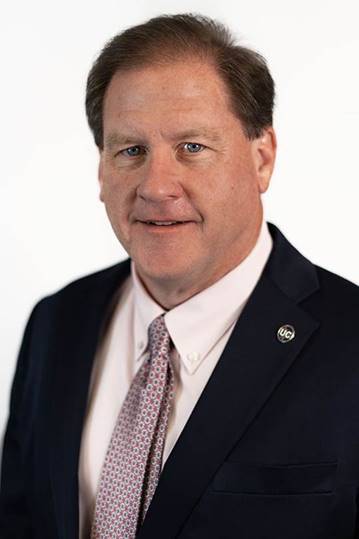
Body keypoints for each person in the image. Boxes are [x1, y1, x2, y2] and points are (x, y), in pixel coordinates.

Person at [0, 12, 358, 539]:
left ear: (262, 159)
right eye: (131, 150)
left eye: (192, 148)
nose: (156, 185)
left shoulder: (351, 342)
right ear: (101, 171)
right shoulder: (57, 321)